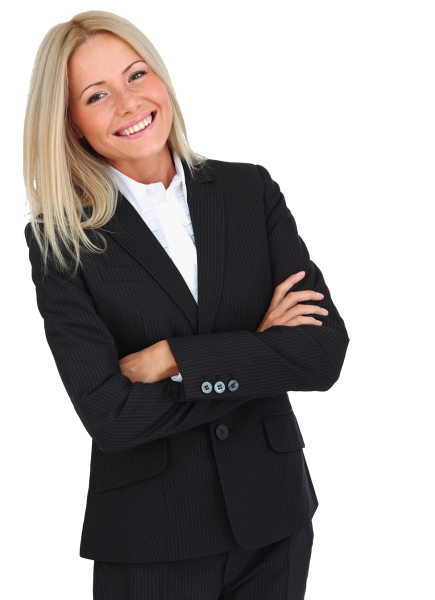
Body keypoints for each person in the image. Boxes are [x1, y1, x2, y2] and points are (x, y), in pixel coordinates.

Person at [21, 10, 349, 600]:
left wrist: (172, 358)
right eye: (97, 95)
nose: (129, 102)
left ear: (161, 78)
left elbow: (322, 355)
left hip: (274, 519)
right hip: (153, 535)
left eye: (136, 75)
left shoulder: (250, 191)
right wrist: (259, 349)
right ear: (71, 125)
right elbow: (111, 416)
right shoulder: (61, 239)